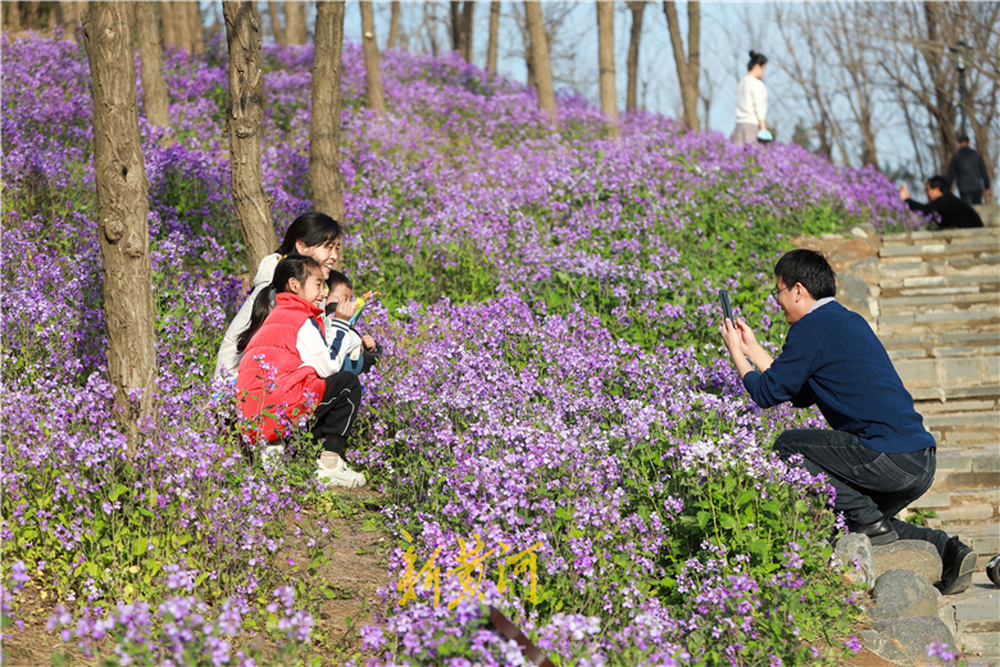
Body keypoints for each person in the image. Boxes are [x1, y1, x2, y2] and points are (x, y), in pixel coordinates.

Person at [720, 249, 977, 595]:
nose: (777, 302)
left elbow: (766, 395)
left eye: (777, 291)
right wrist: (753, 350)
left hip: (887, 457)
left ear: (797, 290)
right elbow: (797, 393)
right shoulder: (844, 320)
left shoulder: (811, 327)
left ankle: (869, 523)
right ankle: (950, 551)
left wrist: (735, 351)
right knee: (849, 522)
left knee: (787, 447)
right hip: (918, 459)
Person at [236, 255, 367, 488]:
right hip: (280, 410)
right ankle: (330, 465)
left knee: (311, 382)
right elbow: (329, 367)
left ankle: (276, 445)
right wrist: (340, 325)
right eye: (318, 284)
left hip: (253, 418)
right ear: (295, 285)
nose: (323, 293)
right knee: (347, 384)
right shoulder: (302, 319)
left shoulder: (273, 316)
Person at [214, 211, 342, 382]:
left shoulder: (313, 291)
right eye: (328, 247)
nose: (334, 257)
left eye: (336, 249)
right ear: (302, 247)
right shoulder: (276, 291)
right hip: (243, 388)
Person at [325, 271, 382, 377]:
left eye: (350, 299)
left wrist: (370, 351)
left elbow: (363, 367)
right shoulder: (323, 326)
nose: (350, 305)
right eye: (344, 299)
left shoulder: (350, 329)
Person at [899, 175, 984, 230]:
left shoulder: (944, 200)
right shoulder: (950, 200)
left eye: (928, 189)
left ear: (937, 190)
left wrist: (906, 199)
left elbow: (923, 210)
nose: (927, 193)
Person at [733, 51, 768, 146]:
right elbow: (760, 107)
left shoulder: (742, 82)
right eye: (763, 69)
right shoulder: (757, 84)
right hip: (752, 126)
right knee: (754, 157)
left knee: (738, 157)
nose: (763, 72)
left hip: (739, 126)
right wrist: (764, 129)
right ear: (757, 66)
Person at [946, 135, 991, 205]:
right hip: (977, 187)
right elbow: (984, 172)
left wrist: (947, 188)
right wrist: (987, 186)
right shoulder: (977, 155)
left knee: (968, 211)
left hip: (964, 189)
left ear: (958, 144)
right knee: (977, 210)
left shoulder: (956, 157)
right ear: (969, 143)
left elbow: (951, 175)